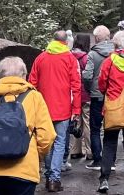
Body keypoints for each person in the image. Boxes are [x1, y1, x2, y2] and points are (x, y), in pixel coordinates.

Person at [0, 56, 56, 195]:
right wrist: (35, 155)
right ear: (24, 75)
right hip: (24, 172)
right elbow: (47, 137)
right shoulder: (35, 98)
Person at [27, 30, 82, 192]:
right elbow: (76, 86)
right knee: (59, 142)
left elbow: (32, 83)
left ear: (53, 40)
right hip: (63, 108)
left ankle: (49, 175)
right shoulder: (70, 59)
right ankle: (54, 179)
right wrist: (76, 109)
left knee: (47, 142)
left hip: (43, 109)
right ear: (66, 42)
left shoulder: (41, 57)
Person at [95, 30, 124, 193]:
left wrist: (108, 94)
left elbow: (102, 83)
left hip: (113, 109)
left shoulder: (109, 62)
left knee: (109, 143)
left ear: (115, 44)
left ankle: (104, 180)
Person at [84, 25, 114, 169]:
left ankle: (98, 160)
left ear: (96, 38)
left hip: (97, 95)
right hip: (113, 95)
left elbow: (88, 75)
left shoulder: (92, 54)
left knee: (95, 128)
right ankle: (111, 161)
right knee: (111, 127)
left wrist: (89, 88)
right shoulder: (116, 53)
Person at [69, 31, 92, 161]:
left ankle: (75, 150)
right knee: (87, 123)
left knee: (75, 121)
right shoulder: (86, 58)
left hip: (72, 94)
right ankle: (89, 151)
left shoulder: (69, 56)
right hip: (85, 94)